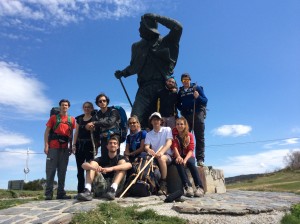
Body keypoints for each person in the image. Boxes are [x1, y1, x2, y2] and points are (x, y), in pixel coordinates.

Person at [115, 13, 182, 129]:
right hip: (144, 88)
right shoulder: (136, 46)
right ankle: (136, 146)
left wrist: (157, 17)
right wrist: (123, 73)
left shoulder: (166, 42)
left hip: (162, 87)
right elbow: (134, 66)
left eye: (141, 26)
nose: (139, 29)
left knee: (161, 119)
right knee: (135, 117)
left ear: (148, 28)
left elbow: (178, 27)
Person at [77, 136, 132, 201]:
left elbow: (129, 165)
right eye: (110, 143)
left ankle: (113, 189)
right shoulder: (101, 158)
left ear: (118, 147)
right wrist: (94, 168)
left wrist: (111, 168)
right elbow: (83, 165)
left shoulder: (121, 158)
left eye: (115, 143)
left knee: (122, 163)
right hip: (101, 187)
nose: (112, 145)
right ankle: (87, 190)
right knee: (92, 163)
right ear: (107, 146)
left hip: (115, 189)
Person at [44, 99, 75, 200]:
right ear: (60, 106)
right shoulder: (53, 118)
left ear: (68, 107)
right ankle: (48, 194)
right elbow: (47, 132)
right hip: (53, 147)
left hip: (65, 149)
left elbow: (71, 135)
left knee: (62, 171)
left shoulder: (72, 120)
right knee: (50, 171)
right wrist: (46, 145)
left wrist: (71, 146)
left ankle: (61, 193)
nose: (64, 107)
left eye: (66, 105)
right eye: (63, 105)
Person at [177, 73, 208, 166]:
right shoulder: (181, 91)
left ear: (190, 80)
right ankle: (185, 156)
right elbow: (178, 103)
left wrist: (198, 97)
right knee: (185, 136)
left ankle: (200, 159)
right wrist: (182, 109)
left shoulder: (196, 88)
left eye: (187, 80)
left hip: (197, 113)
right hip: (186, 115)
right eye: (183, 80)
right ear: (182, 81)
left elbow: (205, 100)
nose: (185, 82)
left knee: (199, 137)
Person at [171, 117, 205, 197]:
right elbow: (174, 147)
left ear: (185, 125)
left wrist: (185, 160)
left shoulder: (190, 135)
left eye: (181, 124)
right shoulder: (174, 135)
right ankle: (187, 186)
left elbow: (191, 150)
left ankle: (199, 187)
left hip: (188, 155)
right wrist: (179, 157)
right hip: (178, 155)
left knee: (191, 163)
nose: (179, 126)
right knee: (179, 163)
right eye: (178, 124)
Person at [85, 93, 120, 160]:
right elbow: (96, 131)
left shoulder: (114, 111)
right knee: (105, 158)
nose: (102, 102)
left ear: (107, 101)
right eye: (100, 101)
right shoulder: (96, 115)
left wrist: (94, 123)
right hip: (103, 138)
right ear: (98, 104)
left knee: (115, 157)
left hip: (114, 136)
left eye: (104, 100)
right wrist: (96, 145)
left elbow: (110, 122)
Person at [144, 112, 173, 194]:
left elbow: (169, 143)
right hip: (154, 156)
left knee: (161, 158)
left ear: (161, 121)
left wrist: (161, 152)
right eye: (154, 120)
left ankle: (164, 183)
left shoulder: (167, 129)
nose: (156, 121)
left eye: (157, 119)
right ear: (151, 122)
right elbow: (146, 147)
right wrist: (149, 150)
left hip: (166, 155)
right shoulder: (149, 134)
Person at [73, 101, 98, 194]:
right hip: (79, 145)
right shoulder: (79, 119)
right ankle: (80, 191)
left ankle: (90, 189)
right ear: (83, 108)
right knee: (80, 169)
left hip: (90, 145)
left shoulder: (95, 118)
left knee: (90, 167)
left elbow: (96, 132)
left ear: (91, 108)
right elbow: (76, 133)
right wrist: (74, 145)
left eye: (88, 107)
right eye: (85, 107)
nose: (87, 109)